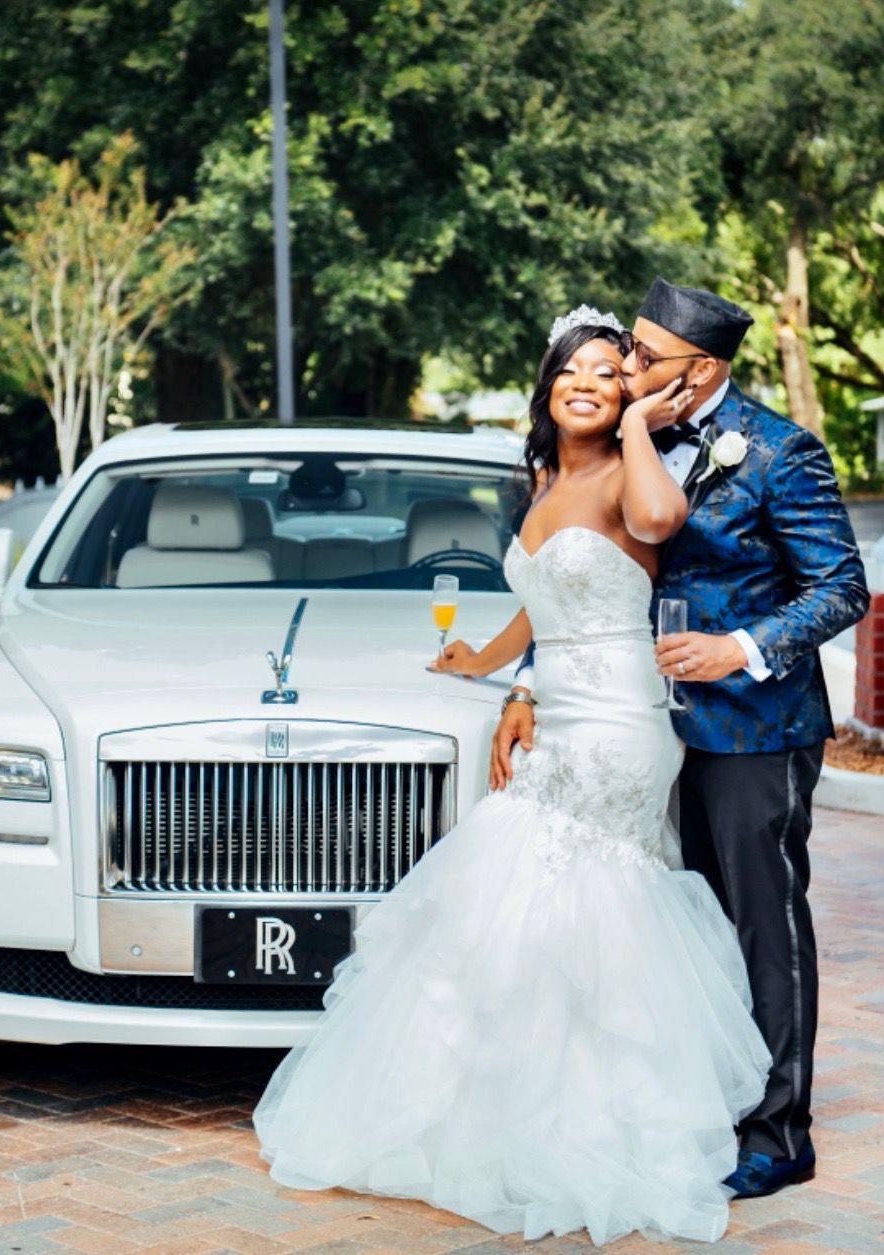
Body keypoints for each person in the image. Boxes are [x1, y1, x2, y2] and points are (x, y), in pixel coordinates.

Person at [253, 307, 773, 1247]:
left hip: (619, 720)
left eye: (610, 372)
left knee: (578, 885)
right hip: (559, 702)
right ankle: (499, 1103)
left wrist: (632, 429)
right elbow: (538, 600)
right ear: (545, 388)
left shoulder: (629, 472)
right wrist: (484, 664)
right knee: (517, 886)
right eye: (572, 369)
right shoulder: (540, 478)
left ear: (629, 392)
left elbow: (659, 523)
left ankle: (602, 1117)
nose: (588, 380)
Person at [499, 278, 870, 1200]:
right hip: (643, 728)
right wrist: (524, 681)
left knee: (760, 925)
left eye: (642, 355)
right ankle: (706, 1102)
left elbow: (839, 589)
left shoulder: (781, 451)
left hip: (751, 727)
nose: (624, 367)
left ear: (701, 368)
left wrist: (739, 647)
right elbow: (579, 585)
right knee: (682, 928)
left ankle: (778, 1132)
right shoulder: (639, 438)